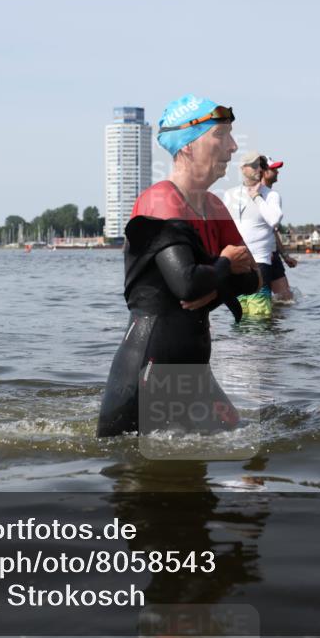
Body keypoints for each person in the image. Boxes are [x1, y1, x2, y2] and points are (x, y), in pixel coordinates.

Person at [97, 95, 261, 438]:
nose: (233, 147)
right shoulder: (160, 200)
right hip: (149, 368)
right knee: (142, 469)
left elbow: (254, 278)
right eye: (221, 135)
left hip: (192, 369)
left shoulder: (214, 207)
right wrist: (225, 266)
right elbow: (186, 285)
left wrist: (217, 281)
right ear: (187, 145)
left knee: (247, 444)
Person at [223, 152, 283, 318]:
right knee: (239, 315)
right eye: (254, 165)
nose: (259, 169)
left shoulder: (271, 195)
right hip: (237, 261)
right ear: (243, 168)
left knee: (259, 317)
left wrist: (256, 197)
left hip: (260, 261)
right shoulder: (230, 194)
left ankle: (263, 337)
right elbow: (225, 226)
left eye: (262, 166)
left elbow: (274, 220)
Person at [258, 156, 297, 303]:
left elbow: (273, 230)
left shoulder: (270, 194)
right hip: (261, 253)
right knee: (265, 300)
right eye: (274, 169)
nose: (277, 172)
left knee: (286, 298)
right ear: (264, 171)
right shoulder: (263, 195)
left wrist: (285, 256)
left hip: (272, 253)